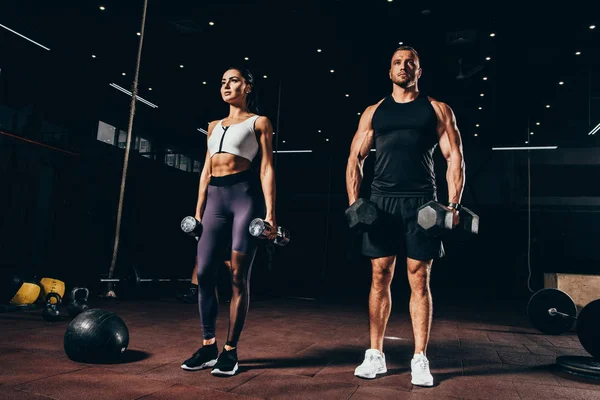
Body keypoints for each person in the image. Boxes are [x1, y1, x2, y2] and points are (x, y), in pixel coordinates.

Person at [345, 46, 465, 386]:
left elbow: (454, 158)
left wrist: (453, 205)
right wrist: (356, 202)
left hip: (422, 204)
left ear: (419, 70)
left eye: (410, 61)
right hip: (381, 202)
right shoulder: (374, 112)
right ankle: (375, 354)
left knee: (418, 277)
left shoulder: (437, 109)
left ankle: (420, 358)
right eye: (397, 62)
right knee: (379, 275)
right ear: (390, 71)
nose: (403, 66)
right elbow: (355, 158)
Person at [181, 66, 277, 376]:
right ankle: (208, 345)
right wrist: (197, 212)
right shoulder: (213, 126)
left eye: (233, 80)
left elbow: (266, 168)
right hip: (215, 200)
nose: (226, 85)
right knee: (205, 272)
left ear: (248, 86)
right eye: (223, 81)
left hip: (243, 197)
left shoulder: (258, 122)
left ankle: (230, 350)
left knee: (238, 277)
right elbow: (206, 171)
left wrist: (271, 214)